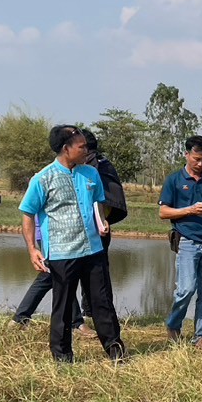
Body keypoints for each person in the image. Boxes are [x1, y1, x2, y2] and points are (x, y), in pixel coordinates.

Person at [19, 125, 127, 364]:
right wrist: (32, 249)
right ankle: (62, 356)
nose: (86, 149)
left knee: (102, 301)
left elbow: (98, 201)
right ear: (66, 149)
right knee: (64, 305)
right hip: (62, 253)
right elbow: (27, 213)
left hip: (93, 249)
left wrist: (102, 220)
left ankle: (115, 351)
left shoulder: (91, 173)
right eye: (81, 146)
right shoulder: (43, 178)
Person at [160, 135, 202, 347]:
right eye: (196, 159)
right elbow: (163, 212)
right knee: (186, 289)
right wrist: (189, 210)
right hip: (187, 241)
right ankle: (174, 324)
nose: (200, 164)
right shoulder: (174, 180)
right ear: (186, 155)